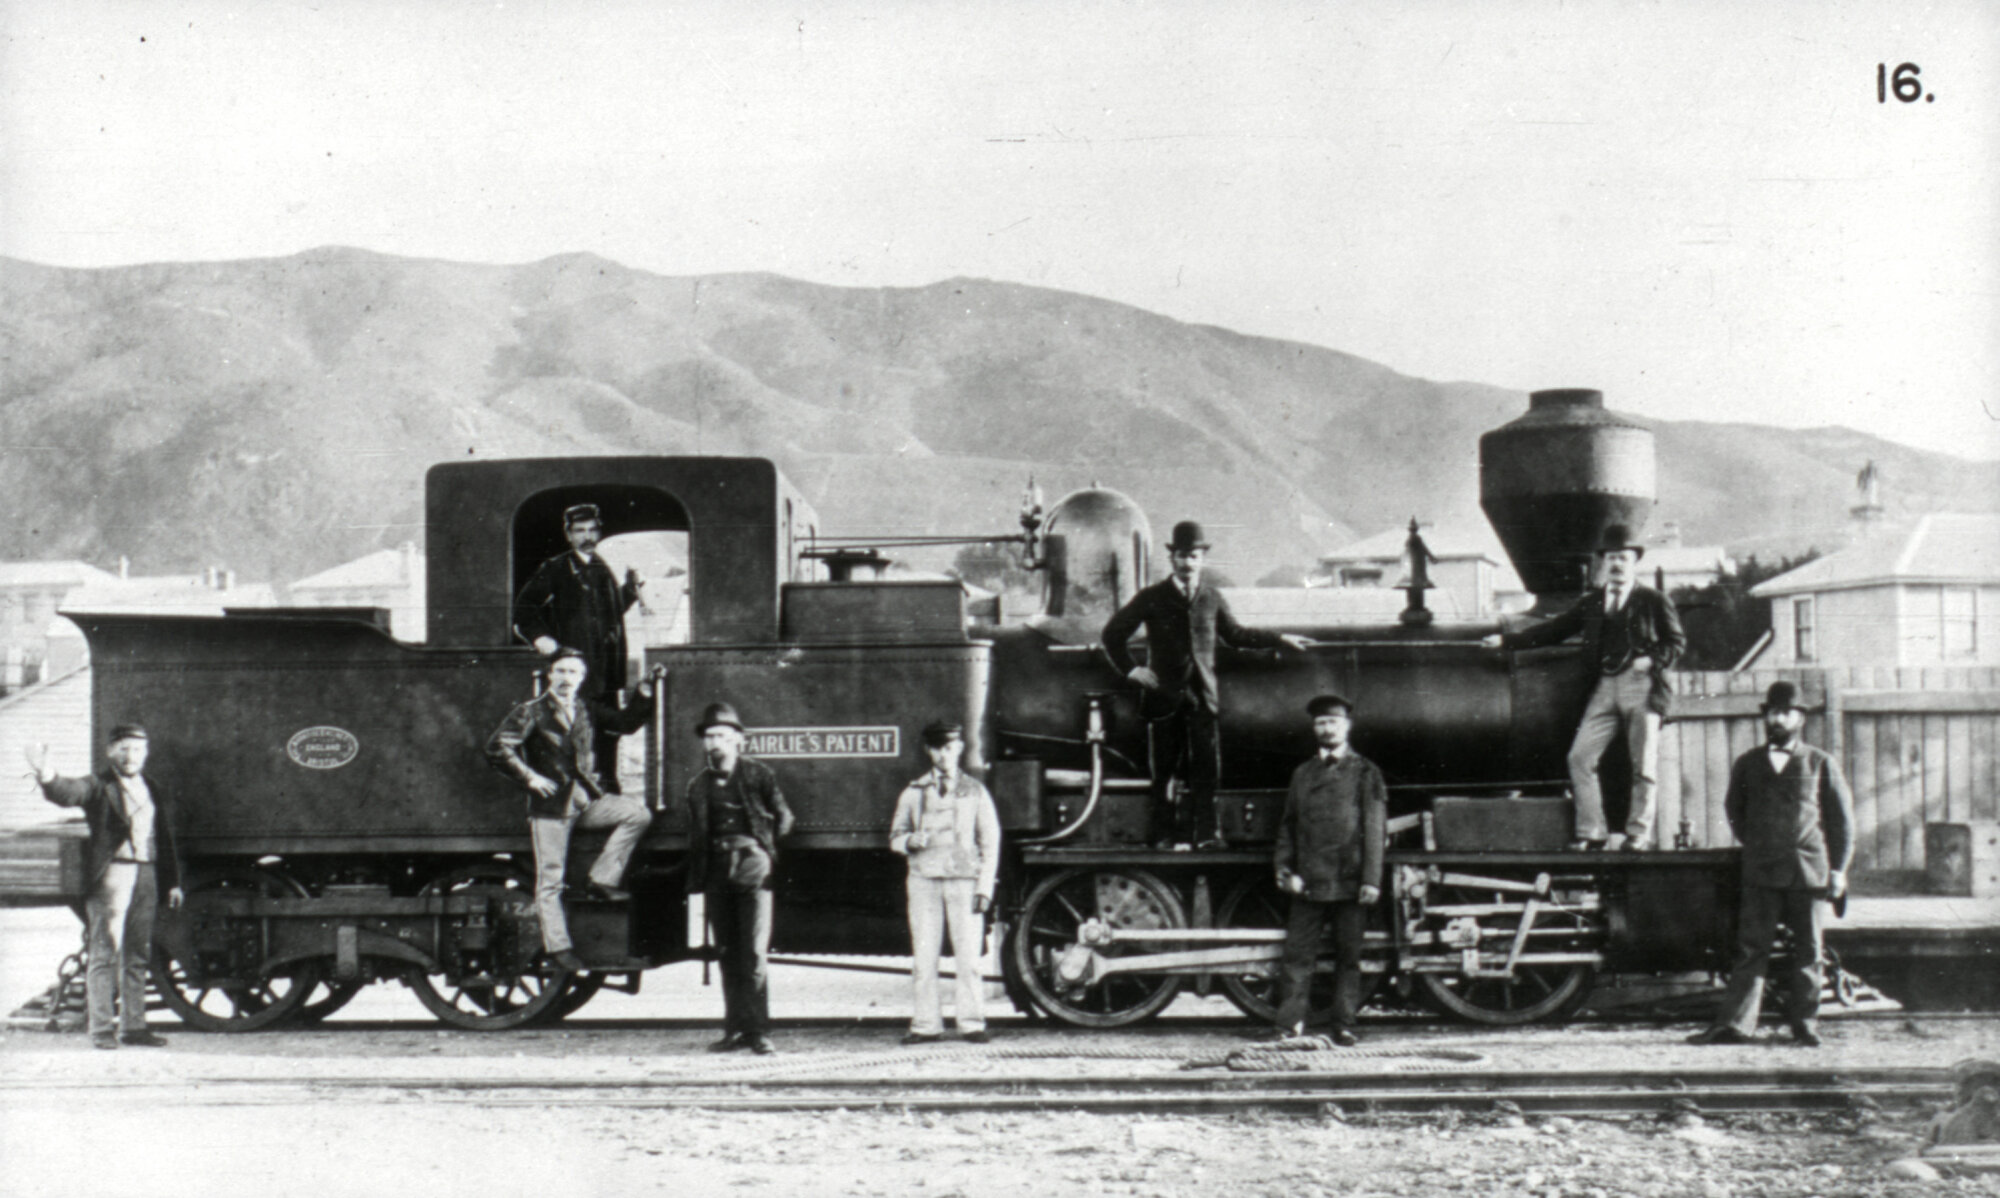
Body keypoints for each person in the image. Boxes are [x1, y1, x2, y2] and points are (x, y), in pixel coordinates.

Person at [1102, 519, 1314, 850]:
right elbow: (1112, 635)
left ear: (1202, 559)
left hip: (1203, 697)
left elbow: (1236, 634)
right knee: (1163, 772)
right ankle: (1163, 836)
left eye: (1194, 556)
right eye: (1182, 556)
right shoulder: (1152, 597)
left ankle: (1206, 835)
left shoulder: (1212, 597)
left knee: (1206, 770)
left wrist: (1279, 638)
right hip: (1163, 697)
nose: (1188, 563)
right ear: (1172, 558)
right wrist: (1132, 670)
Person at [1482, 524, 1685, 850]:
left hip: (1642, 687)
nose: (1617, 564)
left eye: (1623, 557)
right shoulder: (1593, 602)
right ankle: (1592, 832)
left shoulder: (1653, 600)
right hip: (1604, 687)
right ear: (1603, 562)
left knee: (1643, 765)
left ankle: (1638, 834)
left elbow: (1676, 643)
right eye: (1611, 558)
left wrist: (1651, 660)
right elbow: (1553, 630)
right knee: (1580, 758)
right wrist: (1507, 641)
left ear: (1634, 562)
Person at [1688, 681, 1854, 1048]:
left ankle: (1806, 1025)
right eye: (1773, 713)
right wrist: (1762, 844)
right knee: (1751, 950)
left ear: (1800, 719)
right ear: (1766, 717)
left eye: (1786, 713)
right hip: (1761, 872)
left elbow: (1842, 822)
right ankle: (1734, 1026)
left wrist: (1838, 870)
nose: (1778, 719)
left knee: (1809, 952)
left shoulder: (1820, 762)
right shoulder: (1748, 763)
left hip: (1808, 873)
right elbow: (1735, 811)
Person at [485, 647, 656, 974]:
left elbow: (625, 723)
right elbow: (497, 747)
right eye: (561, 671)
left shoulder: (585, 708)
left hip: (586, 801)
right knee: (551, 880)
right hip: (550, 808)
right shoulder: (530, 711)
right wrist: (531, 777)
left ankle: (601, 880)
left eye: (573, 672)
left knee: (638, 814)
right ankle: (559, 948)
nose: (567, 678)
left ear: (582, 677)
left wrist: (644, 693)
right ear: (550, 675)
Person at [25, 723, 184, 1050]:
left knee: (138, 953)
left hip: (146, 874)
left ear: (145, 753)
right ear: (111, 752)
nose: (130, 755)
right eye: (123, 748)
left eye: (137, 749)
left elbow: (163, 838)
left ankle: (133, 1028)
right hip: (113, 875)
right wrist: (46, 774)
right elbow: (69, 792)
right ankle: (100, 1029)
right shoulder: (98, 785)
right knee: (105, 952)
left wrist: (172, 883)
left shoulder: (151, 787)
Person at [1264, 693, 1387, 1046]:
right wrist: (1286, 872)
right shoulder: (1302, 773)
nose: (1327, 728)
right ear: (1314, 728)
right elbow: (1288, 827)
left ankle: (1344, 1024)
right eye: (1320, 723)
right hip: (1308, 881)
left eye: (1333, 722)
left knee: (1349, 958)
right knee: (1297, 957)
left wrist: (1371, 880)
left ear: (1347, 726)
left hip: (1351, 880)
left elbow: (1375, 829)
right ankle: (1289, 1025)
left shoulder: (1366, 772)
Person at [685, 701, 795, 1055]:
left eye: (722, 735)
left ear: (737, 740)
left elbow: (785, 818)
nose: (714, 742)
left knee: (754, 953)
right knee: (727, 952)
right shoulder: (698, 786)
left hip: (753, 867)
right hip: (717, 870)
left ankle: (758, 1032)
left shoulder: (758, 774)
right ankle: (734, 1030)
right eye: (710, 737)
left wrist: (762, 851)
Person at [512, 502, 646, 791]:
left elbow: (608, 615)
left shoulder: (601, 567)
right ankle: (579, 798)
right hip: (576, 673)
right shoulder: (556, 568)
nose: (587, 536)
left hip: (607, 674)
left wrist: (628, 592)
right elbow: (523, 610)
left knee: (608, 738)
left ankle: (608, 793)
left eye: (592, 530)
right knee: (577, 738)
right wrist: (540, 638)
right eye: (580, 531)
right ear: (569, 535)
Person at [889, 720, 1002, 1046]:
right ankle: (926, 1025)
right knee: (924, 958)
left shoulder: (975, 792)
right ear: (928, 750)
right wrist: (909, 841)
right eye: (937, 748)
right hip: (924, 880)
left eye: (949, 748)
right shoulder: (913, 792)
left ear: (960, 749)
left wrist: (984, 888)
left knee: (969, 959)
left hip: (964, 882)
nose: (943, 755)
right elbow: (895, 836)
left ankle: (972, 1023)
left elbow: (990, 842)